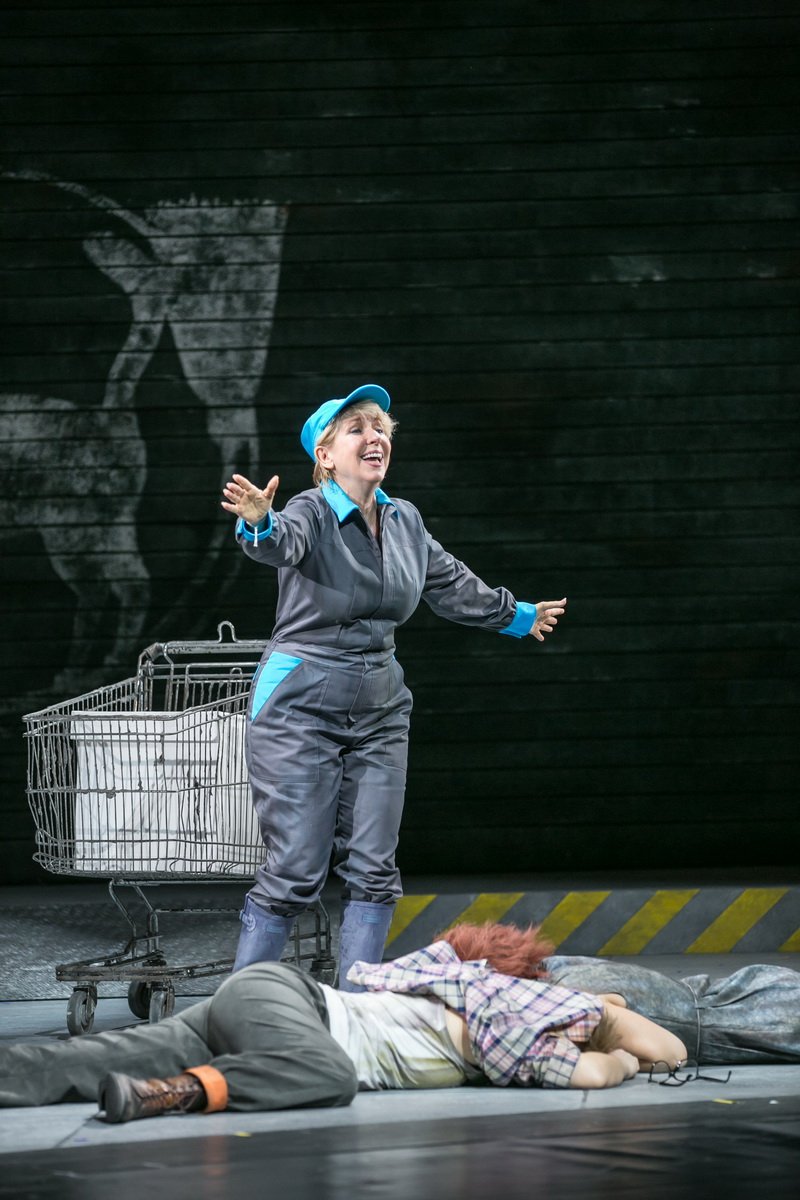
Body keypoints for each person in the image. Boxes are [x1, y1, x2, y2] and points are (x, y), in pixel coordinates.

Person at [220, 383, 567, 986]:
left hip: (380, 707)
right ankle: (240, 1007)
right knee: (296, 869)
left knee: (375, 871)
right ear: (325, 455)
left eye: (380, 427)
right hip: (299, 706)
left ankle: (360, 1013)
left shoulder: (404, 520)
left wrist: (516, 615)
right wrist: (258, 524)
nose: (374, 436)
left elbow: (449, 582)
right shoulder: (309, 511)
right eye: (356, 428)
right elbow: (280, 542)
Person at [0, 923, 676, 1124]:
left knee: (86, 1060)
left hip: (260, 1017)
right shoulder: (511, 1010)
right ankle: (175, 1092)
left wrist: (610, 1026)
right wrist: (619, 1045)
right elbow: (653, 1054)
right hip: (288, 1012)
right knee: (327, 1075)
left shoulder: (479, 998)